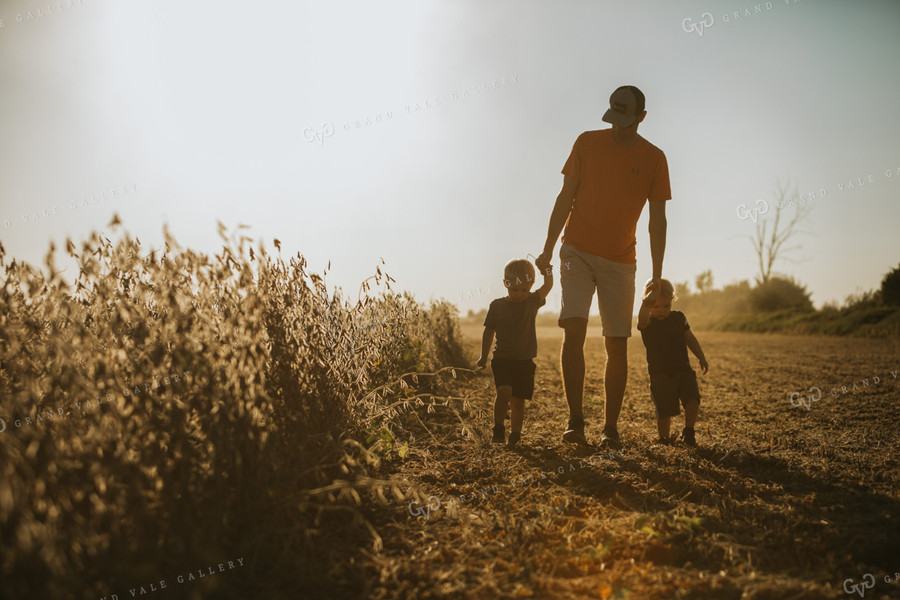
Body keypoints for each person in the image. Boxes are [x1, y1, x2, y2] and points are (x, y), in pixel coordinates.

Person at [535, 84, 671, 448]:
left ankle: (610, 428)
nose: (617, 124)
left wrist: (657, 276)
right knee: (574, 329)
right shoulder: (586, 143)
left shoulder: (655, 158)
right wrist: (548, 248)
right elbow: (565, 196)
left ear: (641, 117)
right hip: (575, 250)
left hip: (620, 259)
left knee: (617, 343)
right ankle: (575, 420)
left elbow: (657, 220)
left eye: (626, 117)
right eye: (613, 113)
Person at [475, 259, 553, 446]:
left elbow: (548, 284)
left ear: (531, 286)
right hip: (502, 358)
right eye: (514, 290)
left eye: (524, 290)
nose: (519, 294)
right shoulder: (497, 306)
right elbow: (488, 332)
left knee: (518, 400)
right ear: (506, 284)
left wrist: (547, 270)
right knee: (504, 392)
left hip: (525, 361)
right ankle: (499, 428)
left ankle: (515, 435)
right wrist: (483, 356)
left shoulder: (532, 301)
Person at [637, 279, 708, 446]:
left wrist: (701, 356)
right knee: (664, 409)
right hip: (660, 373)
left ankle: (689, 431)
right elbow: (641, 319)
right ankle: (664, 439)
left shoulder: (679, 318)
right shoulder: (647, 322)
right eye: (656, 306)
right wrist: (647, 302)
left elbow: (690, 338)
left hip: (683, 369)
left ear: (672, 302)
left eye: (666, 306)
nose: (661, 310)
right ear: (648, 305)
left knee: (692, 398)